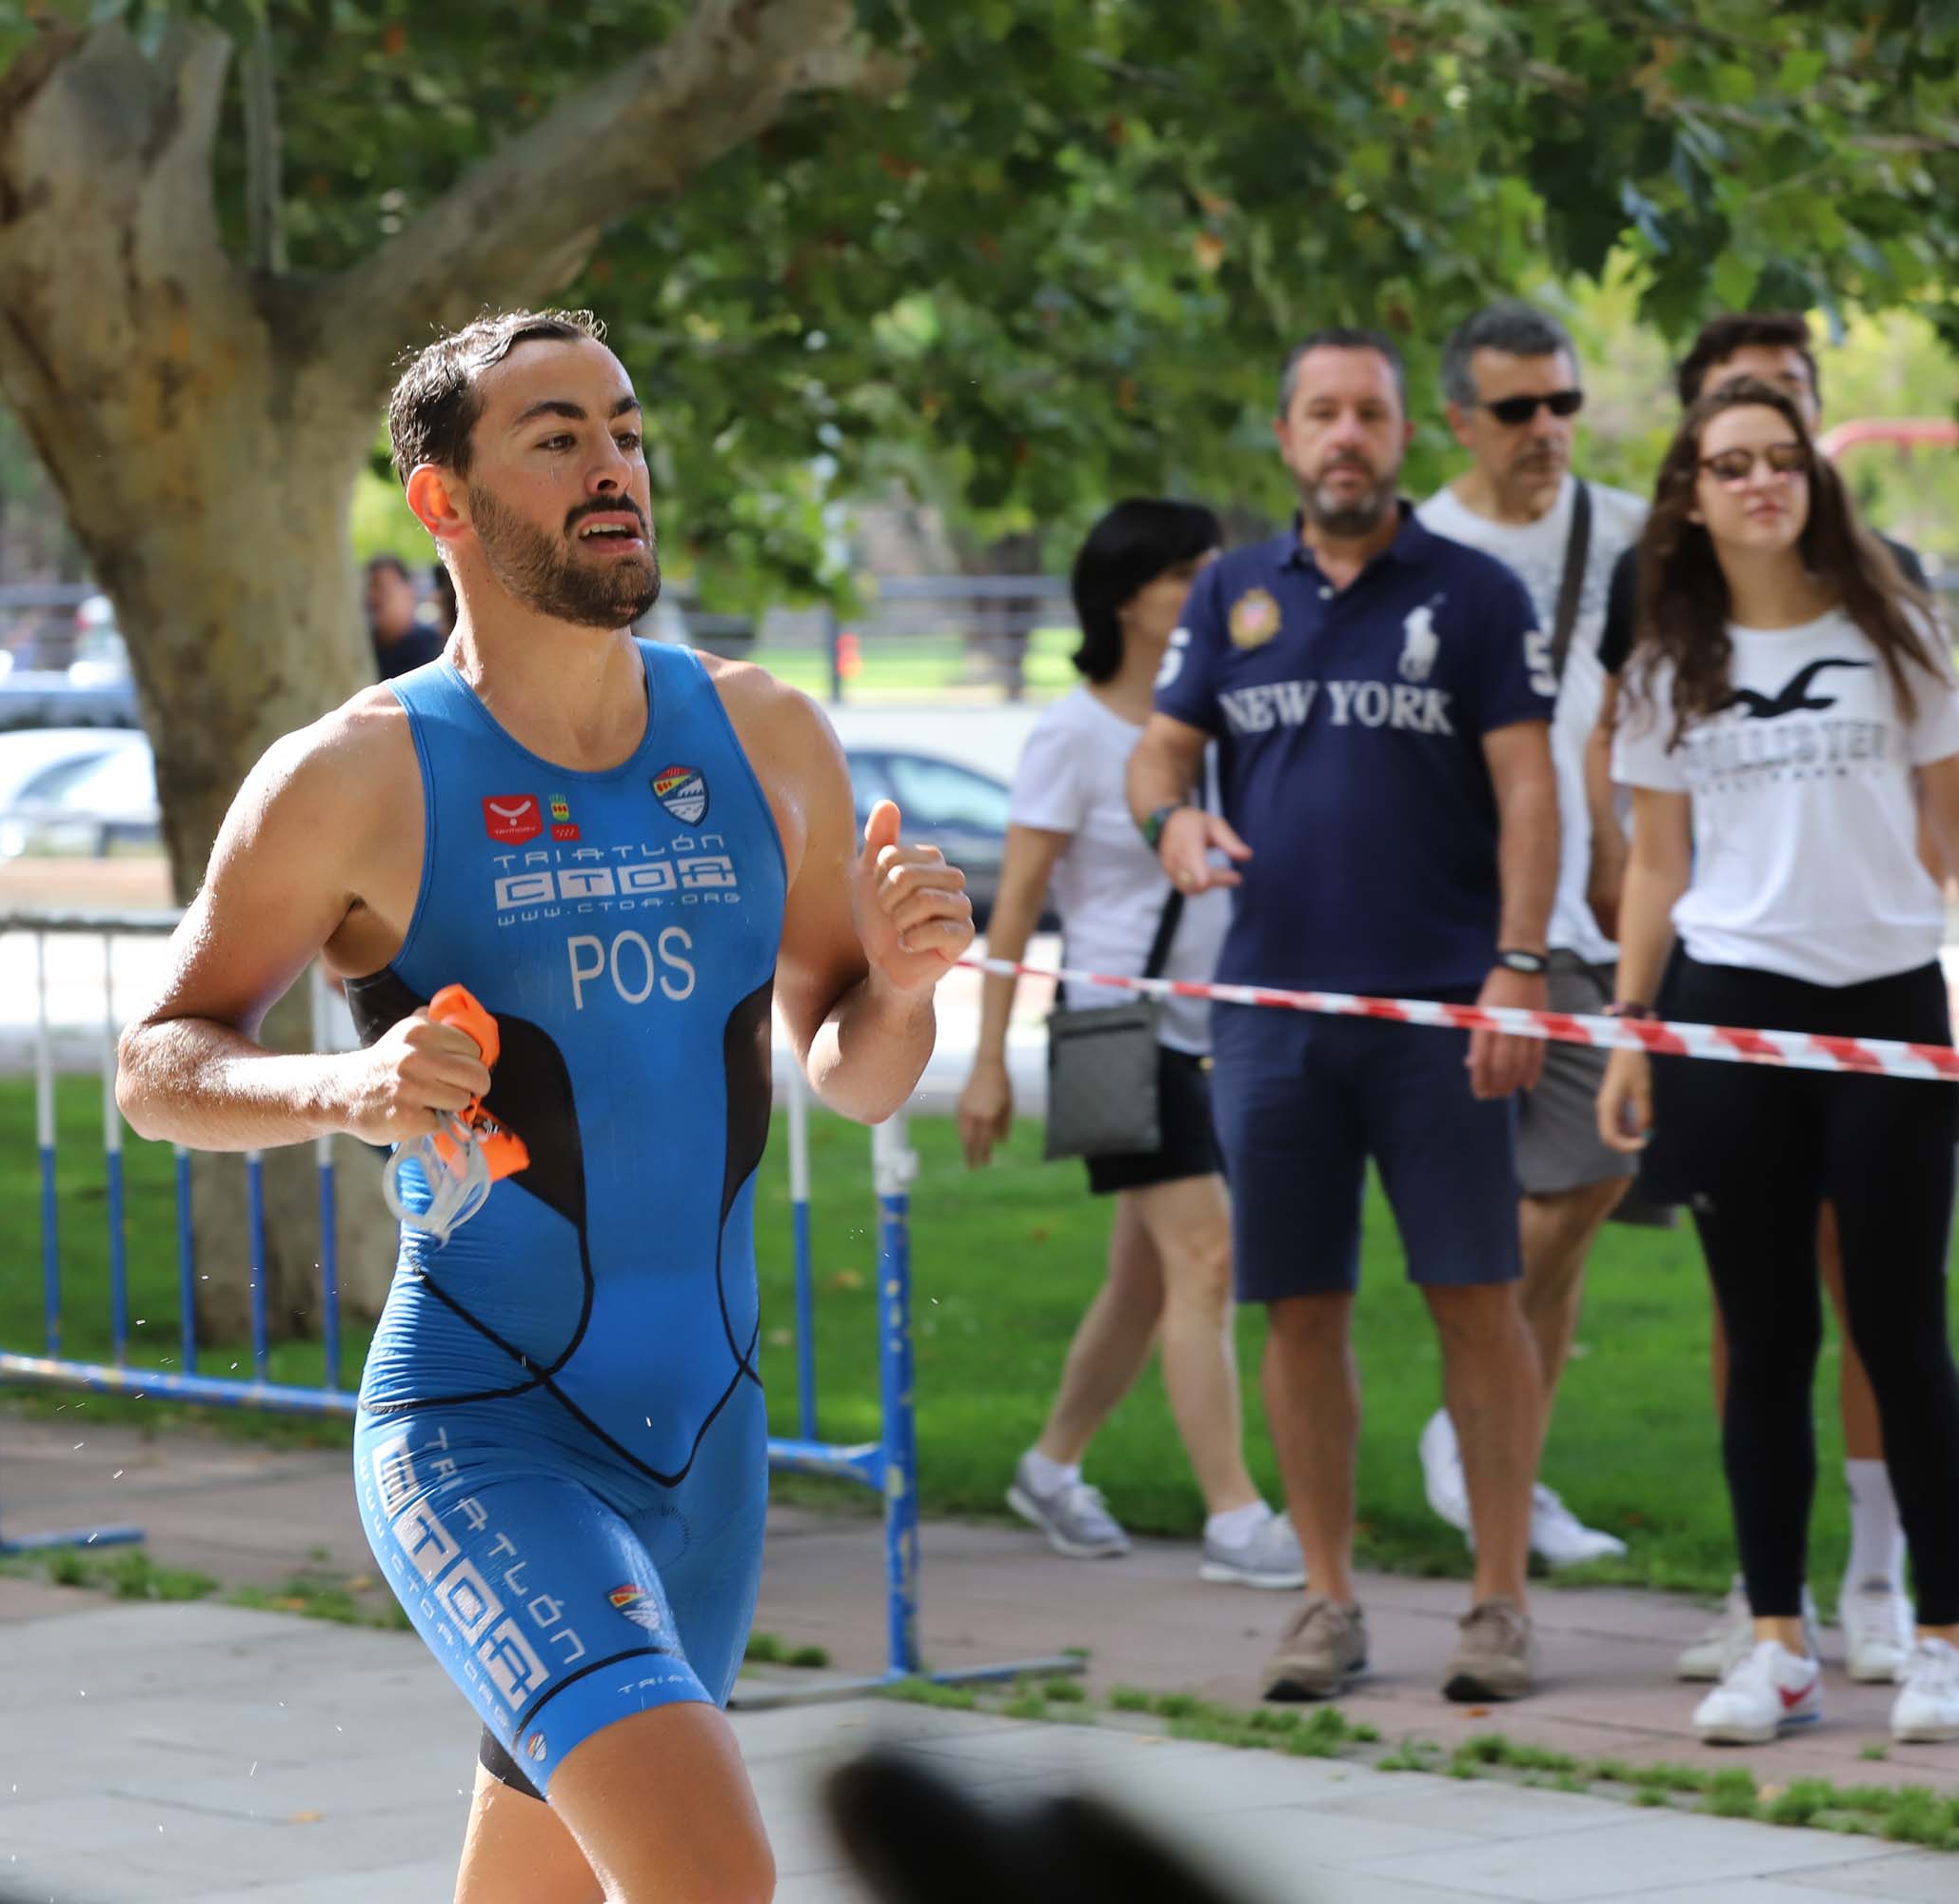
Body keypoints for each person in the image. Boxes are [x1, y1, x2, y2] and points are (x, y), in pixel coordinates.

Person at [114, 309, 972, 1903]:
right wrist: (349, 1086)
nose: (614, 469)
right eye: (557, 436)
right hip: (484, 1428)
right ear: (443, 502)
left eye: (628, 431)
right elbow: (158, 1063)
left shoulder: (762, 734)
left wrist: (908, 990)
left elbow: (854, 1072)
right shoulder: (355, 775)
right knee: (711, 1876)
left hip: (710, 1446)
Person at [1127, 328, 1558, 1706]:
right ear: (1288, 438)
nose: (1346, 437)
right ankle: (1325, 1602)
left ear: (1403, 435)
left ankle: (1498, 1603)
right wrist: (1173, 820)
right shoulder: (1234, 591)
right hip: (1273, 1015)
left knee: (1476, 1302)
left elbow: (1535, 792)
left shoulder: (1476, 594)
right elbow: (1160, 744)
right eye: (1322, 413)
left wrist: (1520, 963)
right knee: (1296, 1309)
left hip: (1443, 1010)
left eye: (1369, 413)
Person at [1599, 376, 1959, 1746]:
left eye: (1783, 461)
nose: (1761, 481)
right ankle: (1777, 1643)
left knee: (1900, 1330)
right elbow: (1657, 860)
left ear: (1812, 486)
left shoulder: (1893, 632)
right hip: (1725, 1015)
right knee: (1765, 1339)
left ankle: (1942, 1641)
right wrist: (1633, 1028)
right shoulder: (1667, 664)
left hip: (1884, 1006)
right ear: (1693, 495)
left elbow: (1957, 811)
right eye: (1732, 464)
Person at [956, 498, 1300, 1591]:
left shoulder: (1218, 713)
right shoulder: (1074, 732)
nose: (1209, 585)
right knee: (1207, 1254)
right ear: (1126, 596)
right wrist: (986, 1060)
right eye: (1185, 570)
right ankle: (1237, 1514)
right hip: (1119, 1022)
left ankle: (1051, 1466)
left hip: (1223, 1020)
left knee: (1147, 1279)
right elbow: (1015, 906)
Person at [1410, 303, 1645, 1569]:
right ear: (1460, 420)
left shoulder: (1627, 534)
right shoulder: (1422, 550)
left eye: (1563, 405)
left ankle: (1489, 1441)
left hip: (1606, 917)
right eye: (1517, 410)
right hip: (1474, 931)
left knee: (1590, 1185)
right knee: (1499, 1218)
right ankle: (1489, 1441)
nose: (1547, 430)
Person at [365, 553, 445, 678]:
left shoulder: (434, 646)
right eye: (370, 588)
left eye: (382, 588)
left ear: (408, 592)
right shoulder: (364, 647)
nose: (373, 597)